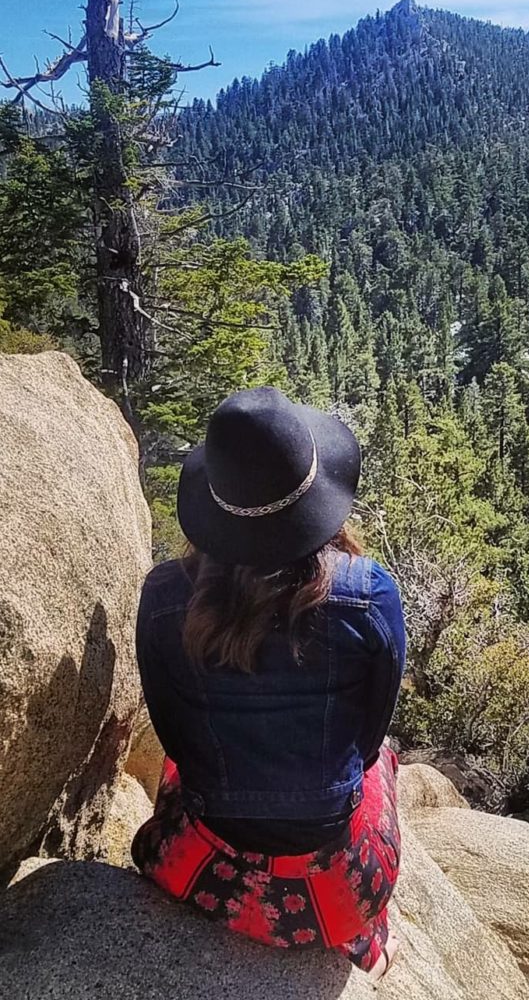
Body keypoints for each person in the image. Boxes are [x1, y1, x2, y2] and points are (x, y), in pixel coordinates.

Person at [131, 386, 406, 979]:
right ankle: (354, 931)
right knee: (385, 761)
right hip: (338, 879)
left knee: (178, 774)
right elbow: (367, 739)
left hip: (204, 860)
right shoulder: (370, 595)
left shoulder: (162, 599)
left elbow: (174, 738)